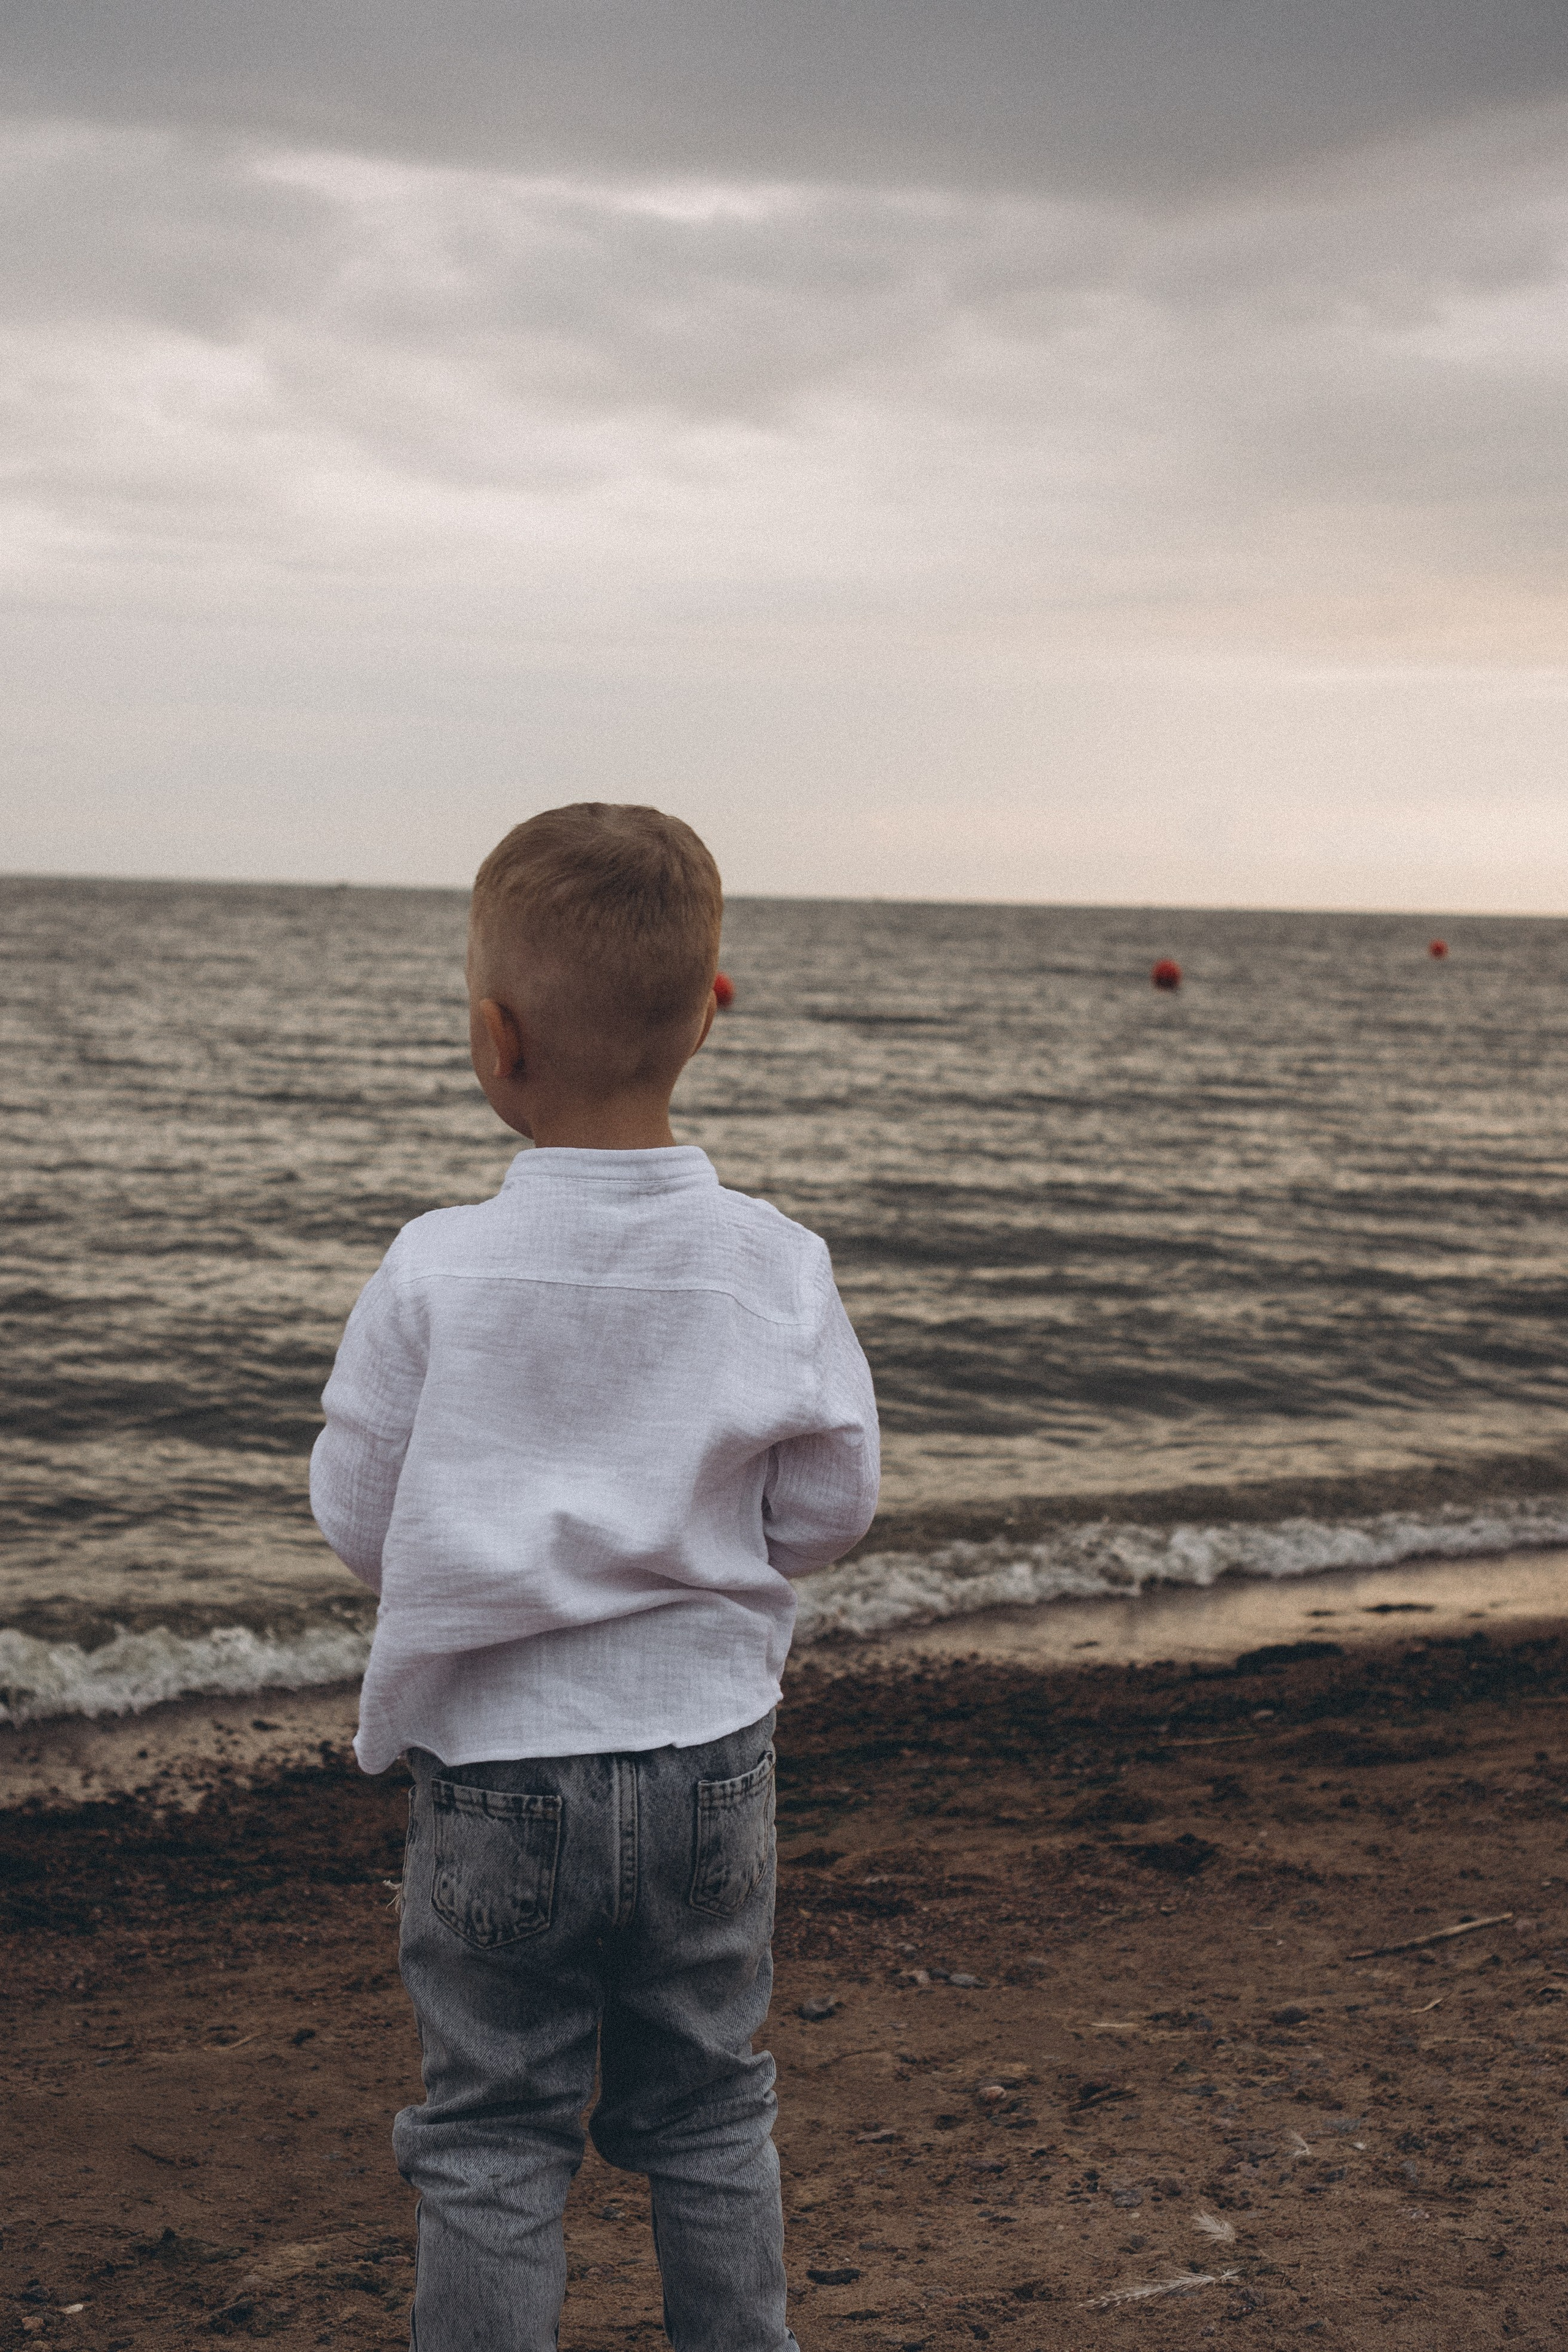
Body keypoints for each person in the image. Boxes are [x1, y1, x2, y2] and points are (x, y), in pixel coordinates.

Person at [310, 803, 880, 2352]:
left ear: (495, 1042)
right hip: (708, 1762)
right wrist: (706, 1557)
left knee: (494, 2135)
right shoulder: (775, 1264)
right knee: (706, 2112)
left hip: (495, 1774)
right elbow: (832, 1506)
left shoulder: (433, 1266)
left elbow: (362, 1519)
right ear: (709, 1012)